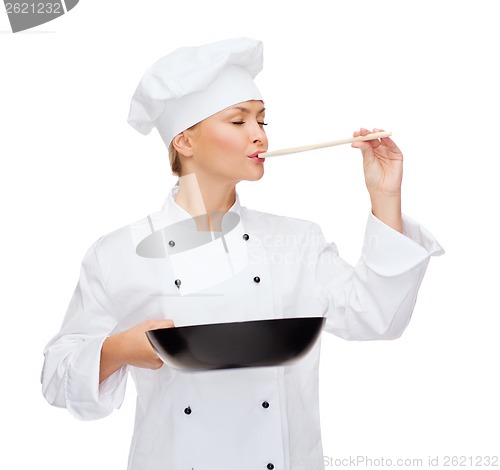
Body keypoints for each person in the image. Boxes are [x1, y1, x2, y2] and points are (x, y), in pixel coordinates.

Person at [41, 37, 443, 470]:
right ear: (185, 142)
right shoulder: (119, 253)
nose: (260, 135)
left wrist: (385, 196)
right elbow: (56, 379)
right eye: (238, 121)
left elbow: (378, 317)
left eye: (263, 120)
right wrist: (117, 350)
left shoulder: (297, 241)